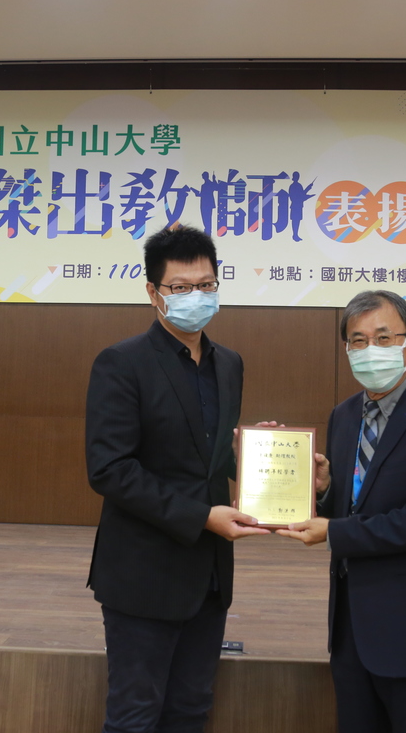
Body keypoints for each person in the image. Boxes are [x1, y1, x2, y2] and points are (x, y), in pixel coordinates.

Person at [85, 224, 269, 733]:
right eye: (181, 288)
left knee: (190, 712)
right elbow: (109, 469)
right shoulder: (122, 364)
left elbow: (208, 459)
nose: (196, 297)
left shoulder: (228, 364)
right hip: (144, 577)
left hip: (209, 579)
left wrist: (258, 457)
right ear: (153, 293)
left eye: (206, 285)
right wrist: (201, 516)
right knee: (135, 716)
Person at [278, 289, 406, 733]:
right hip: (350, 633)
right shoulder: (344, 416)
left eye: (384, 338)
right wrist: (325, 492)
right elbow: (354, 503)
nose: (371, 350)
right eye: (358, 341)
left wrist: (333, 533)